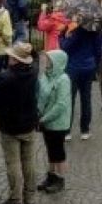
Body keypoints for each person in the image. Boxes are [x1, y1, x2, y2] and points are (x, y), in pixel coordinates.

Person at [0, 39, 39, 204]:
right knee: (29, 161)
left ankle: (15, 199)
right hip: (29, 123)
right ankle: (30, 195)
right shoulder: (33, 72)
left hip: (10, 125)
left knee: (13, 163)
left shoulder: (6, 77)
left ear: (15, 59)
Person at [63, 15, 102, 140]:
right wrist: (95, 66)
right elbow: (99, 51)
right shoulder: (96, 33)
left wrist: (63, 36)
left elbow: (65, 47)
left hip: (73, 68)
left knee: (69, 98)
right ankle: (85, 130)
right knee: (86, 98)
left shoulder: (77, 32)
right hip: (89, 67)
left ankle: (67, 130)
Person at [35, 49, 70, 192]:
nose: (46, 62)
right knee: (50, 149)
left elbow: (61, 105)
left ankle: (60, 178)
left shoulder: (63, 79)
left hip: (58, 123)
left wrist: (45, 118)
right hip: (46, 121)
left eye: (49, 60)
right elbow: (41, 95)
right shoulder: (46, 76)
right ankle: (51, 175)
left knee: (58, 151)